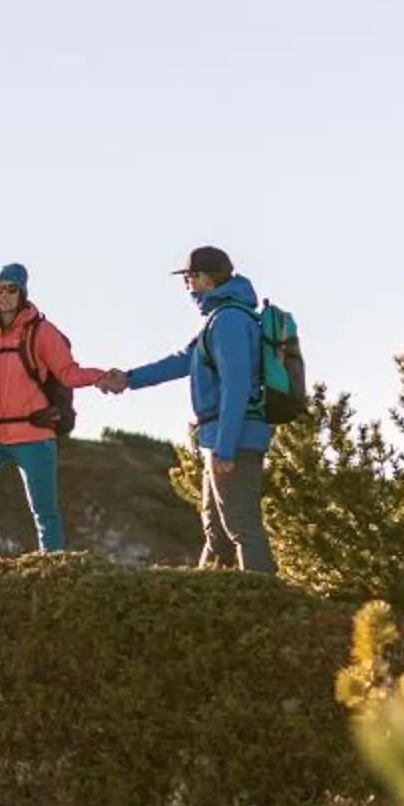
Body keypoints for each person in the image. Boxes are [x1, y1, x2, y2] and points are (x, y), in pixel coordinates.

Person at [0, 262, 117, 559]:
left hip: (34, 437)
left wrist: (101, 376)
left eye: (10, 289)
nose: (3, 295)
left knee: (45, 512)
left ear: (22, 293)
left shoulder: (42, 332)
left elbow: (68, 373)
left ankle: (54, 571)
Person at [115, 243, 274, 572]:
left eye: (190, 277)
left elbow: (237, 386)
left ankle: (268, 605)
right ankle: (203, 603)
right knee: (216, 532)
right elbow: (181, 361)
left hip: (233, 437)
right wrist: (128, 379)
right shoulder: (220, 318)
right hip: (219, 437)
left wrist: (225, 449)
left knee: (241, 525)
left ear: (208, 279)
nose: (186, 285)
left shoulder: (229, 320)